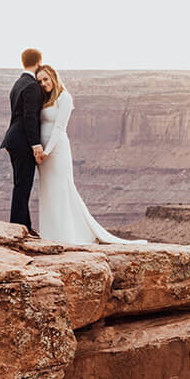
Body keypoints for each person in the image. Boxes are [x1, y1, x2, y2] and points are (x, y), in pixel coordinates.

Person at [33, 63, 144, 245]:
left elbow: (60, 128)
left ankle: (69, 234)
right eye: (39, 81)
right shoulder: (44, 100)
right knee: (47, 192)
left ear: (53, 77)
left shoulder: (64, 98)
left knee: (62, 189)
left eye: (46, 79)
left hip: (56, 152)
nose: (43, 83)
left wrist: (46, 151)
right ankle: (51, 233)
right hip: (42, 156)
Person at [0, 48, 47, 231]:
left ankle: (23, 225)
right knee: (22, 186)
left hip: (13, 140)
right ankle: (17, 227)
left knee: (21, 184)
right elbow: (29, 117)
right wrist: (36, 144)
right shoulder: (32, 86)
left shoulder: (18, 83)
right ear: (39, 61)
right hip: (22, 141)